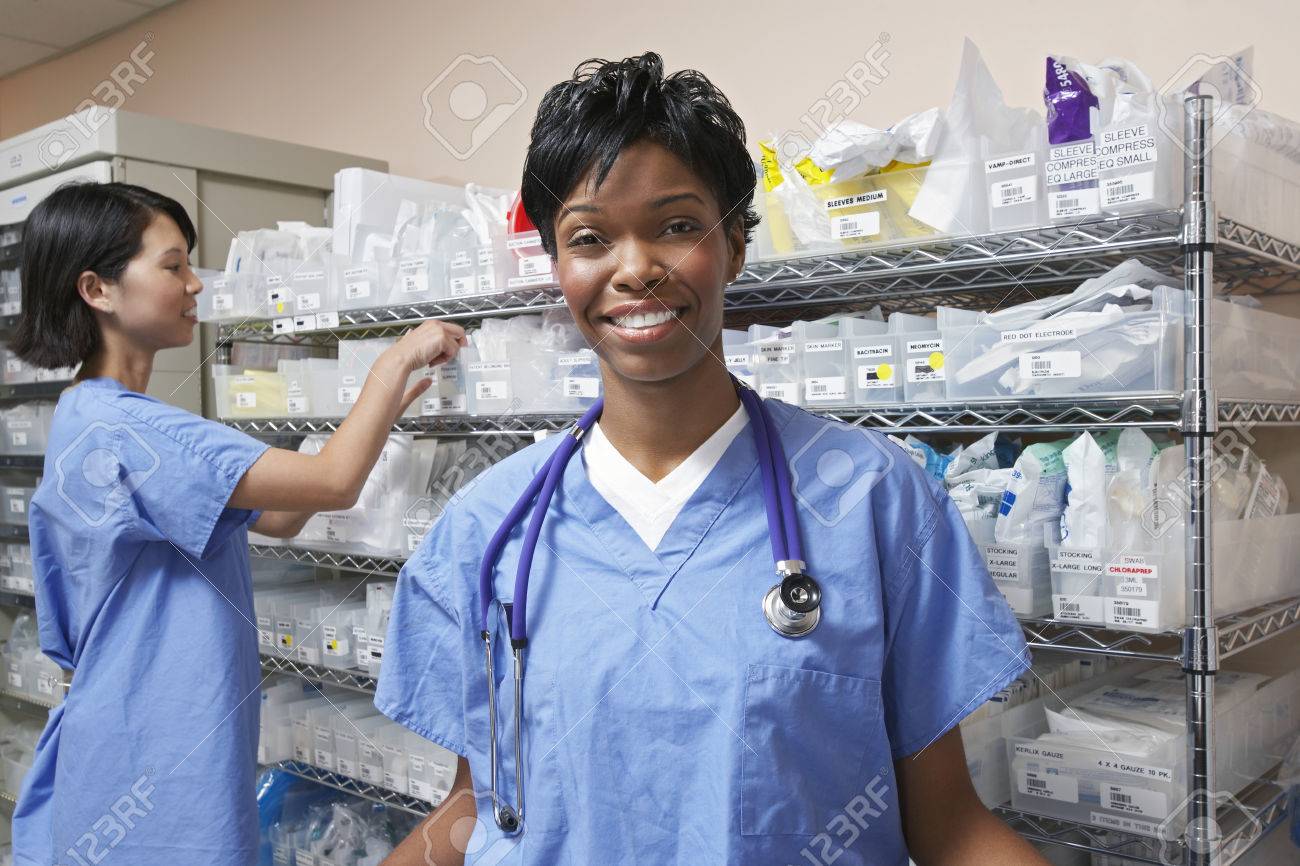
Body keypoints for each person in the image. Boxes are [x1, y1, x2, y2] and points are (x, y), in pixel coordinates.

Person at [375, 53, 1050, 866]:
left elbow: (948, 828)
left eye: (676, 224)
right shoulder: (484, 530)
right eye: (589, 237)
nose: (634, 269)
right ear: (558, 268)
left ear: (733, 243)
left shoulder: (874, 500)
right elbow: (472, 813)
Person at [8, 182, 465, 866]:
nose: (195, 284)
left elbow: (282, 515)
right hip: (155, 761)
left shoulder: (90, 417)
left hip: (124, 738)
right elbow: (334, 483)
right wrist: (393, 358)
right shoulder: (133, 431)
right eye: (172, 266)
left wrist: (380, 414)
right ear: (98, 290)